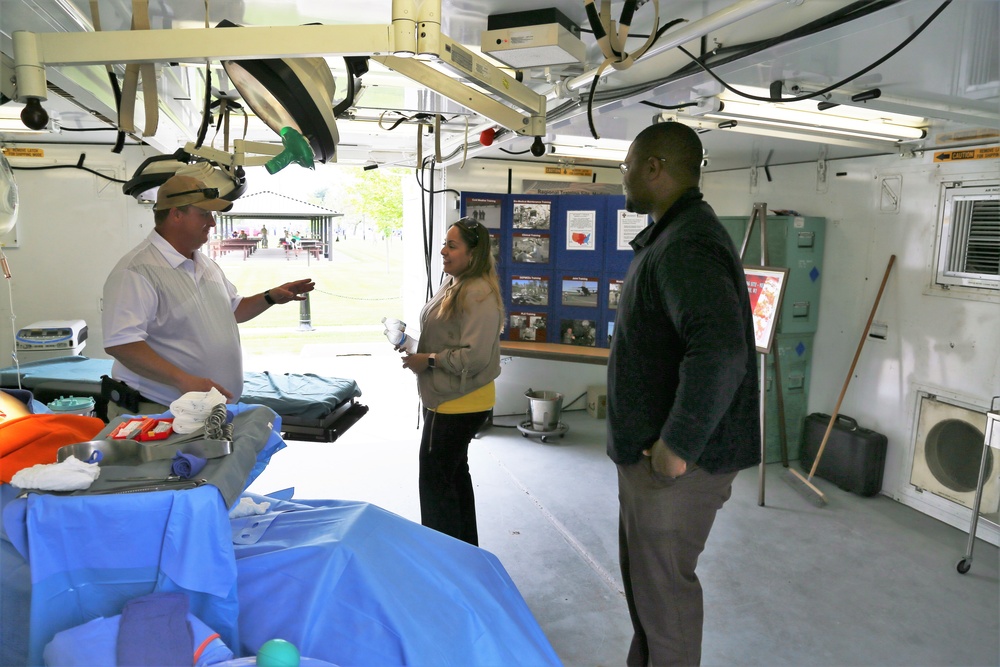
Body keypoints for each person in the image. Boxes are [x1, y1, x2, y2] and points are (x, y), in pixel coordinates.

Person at [608, 121, 760, 666]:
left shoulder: (686, 244)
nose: (621, 173)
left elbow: (720, 351)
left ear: (655, 167)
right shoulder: (674, 235)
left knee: (665, 601)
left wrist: (678, 445)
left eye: (627, 163)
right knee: (650, 597)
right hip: (654, 456)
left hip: (676, 467)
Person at [102, 174, 315, 419]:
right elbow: (122, 344)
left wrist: (270, 297)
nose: (212, 222)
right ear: (176, 214)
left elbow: (233, 310)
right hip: (157, 411)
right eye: (204, 213)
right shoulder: (136, 271)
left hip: (201, 410)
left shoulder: (204, 263)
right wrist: (183, 380)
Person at [399, 217, 503, 546]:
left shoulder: (478, 294)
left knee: (435, 483)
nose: (443, 250)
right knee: (453, 476)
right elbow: (448, 338)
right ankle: (464, 554)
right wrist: (413, 345)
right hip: (445, 396)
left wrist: (428, 360)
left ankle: (443, 560)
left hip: (459, 402)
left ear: (473, 254)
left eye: (452, 245)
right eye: (444, 243)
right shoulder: (455, 282)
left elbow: (474, 358)